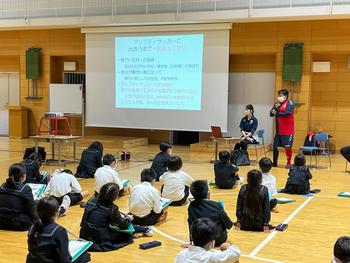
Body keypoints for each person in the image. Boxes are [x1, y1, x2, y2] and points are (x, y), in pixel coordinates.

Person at [80, 183, 152, 252]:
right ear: (114, 196)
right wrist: (128, 219)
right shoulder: (112, 209)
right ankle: (145, 229)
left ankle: (144, 230)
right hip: (99, 238)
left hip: (84, 235)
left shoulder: (91, 200)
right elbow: (123, 225)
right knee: (125, 234)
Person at [26, 197, 90, 263]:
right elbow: (65, 260)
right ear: (56, 213)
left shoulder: (32, 227)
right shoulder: (59, 231)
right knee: (85, 256)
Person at [188, 180, 233, 246]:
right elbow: (229, 225)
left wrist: (192, 240)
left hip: (200, 240)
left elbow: (191, 223)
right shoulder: (217, 205)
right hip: (218, 239)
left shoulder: (191, 206)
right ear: (208, 193)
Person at [174, 218, 241, 263]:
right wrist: (228, 246)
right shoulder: (212, 257)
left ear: (192, 236)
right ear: (211, 242)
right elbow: (236, 253)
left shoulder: (181, 254)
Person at [0, 163, 36, 231]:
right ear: (22, 177)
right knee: (36, 204)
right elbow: (31, 210)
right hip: (17, 224)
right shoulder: (25, 188)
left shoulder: (2, 186)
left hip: (1, 222)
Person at [270, 88, 295, 168]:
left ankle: (288, 163)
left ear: (285, 96)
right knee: (275, 146)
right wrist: (274, 109)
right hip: (278, 130)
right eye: (279, 95)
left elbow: (287, 114)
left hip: (287, 130)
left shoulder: (290, 103)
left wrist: (277, 112)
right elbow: (271, 114)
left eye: (281, 95)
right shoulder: (277, 103)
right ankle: (274, 163)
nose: (279, 97)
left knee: (288, 147)